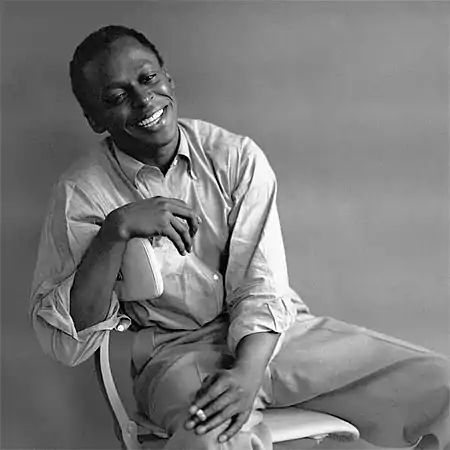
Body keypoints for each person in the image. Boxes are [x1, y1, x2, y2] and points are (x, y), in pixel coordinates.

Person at [30, 25, 449, 450]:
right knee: (212, 443)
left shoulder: (234, 156)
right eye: (117, 96)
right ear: (95, 119)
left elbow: (262, 283)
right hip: (179, 355)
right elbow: (72, 339)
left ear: (168, 78)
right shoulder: (82, 192)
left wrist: (248, 372)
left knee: (441, 383)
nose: (143, 100)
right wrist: (115, 231)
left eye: (148, 78)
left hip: (277, 338)